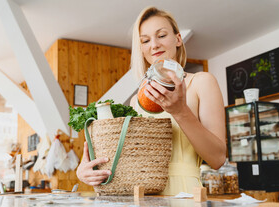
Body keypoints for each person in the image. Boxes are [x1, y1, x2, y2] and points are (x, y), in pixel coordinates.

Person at [77, 6, 226, 194]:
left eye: (162, 35)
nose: (154, 45)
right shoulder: (136, 101)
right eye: (145, 40)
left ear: (178, 39)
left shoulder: (202, 82)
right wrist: (89, 169)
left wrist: (180, 112)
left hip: (185, 196)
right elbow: (128, 159)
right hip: (142, 199)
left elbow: (218, 159)